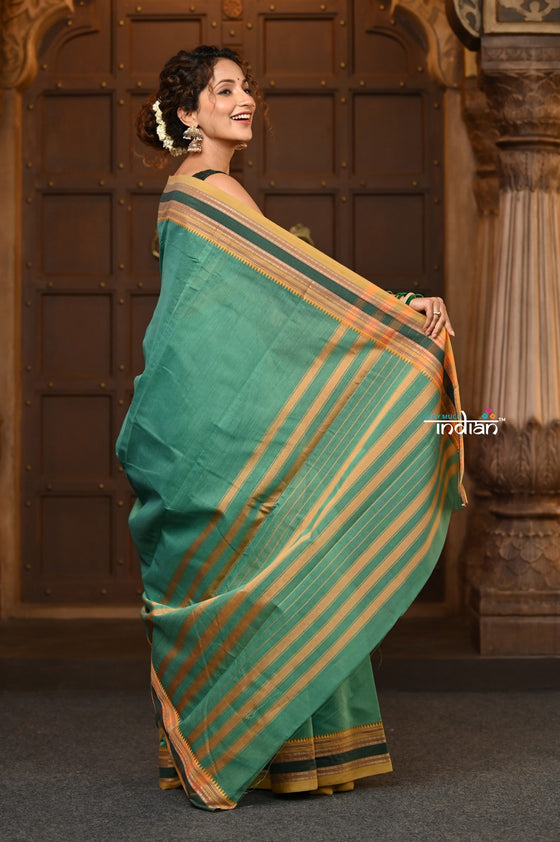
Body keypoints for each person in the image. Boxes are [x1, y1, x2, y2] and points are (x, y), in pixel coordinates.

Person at [117, 45, 465, 812]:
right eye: (224, 90)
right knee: (293, 557)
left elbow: (274, 304)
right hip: (218, 415)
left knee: (259, 562)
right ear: (188, 113)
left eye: (246, 87)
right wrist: (401, 313)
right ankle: (286, 757)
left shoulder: (184, 192)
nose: (245, 100)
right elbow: (302, 294)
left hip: (195, 412)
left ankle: (238, 750)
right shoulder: (214, 192)